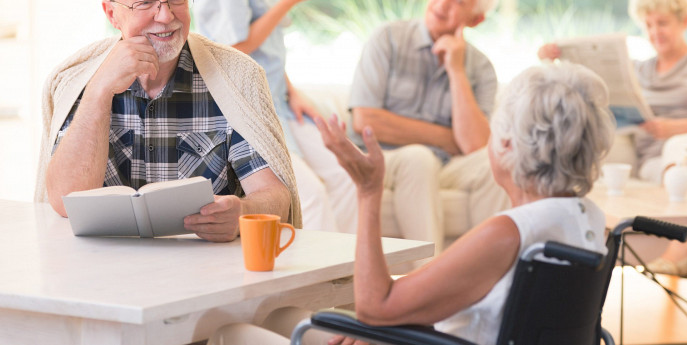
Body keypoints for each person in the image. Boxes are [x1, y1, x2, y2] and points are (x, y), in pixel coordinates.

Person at [209, 62, 616, 344]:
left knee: (234, 333)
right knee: (283, 317)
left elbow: (375, 306)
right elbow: (463, 295)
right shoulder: (587, 221)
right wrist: (388, 323)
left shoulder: (508, 233)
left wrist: (369, 191)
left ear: (507, 146)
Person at [34, 0, 301, 242]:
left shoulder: (237, 76)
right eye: (145, 2)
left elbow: (276, 196)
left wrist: (242, 213)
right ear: (112, 13)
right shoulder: (77, 79)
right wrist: (99, 90)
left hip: (206, 270)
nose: (165, 16)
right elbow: (66, 201)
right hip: (102, 269)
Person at [538, 0, 687, 319]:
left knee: (680, 149)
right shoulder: (638, 72)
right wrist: (553, 64)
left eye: (663, 23)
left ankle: (680, 247)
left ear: (684, 21)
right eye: (648, 24)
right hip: (663, 164)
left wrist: (675, 129)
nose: (654, 31)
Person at [192, 0, 338, 231]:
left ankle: (353, 274)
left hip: (279, 99)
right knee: (309, 194)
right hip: (249, 108)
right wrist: (289, 0)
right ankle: (315, 278)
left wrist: (291, 90)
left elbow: (268, 48)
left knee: (344, 174)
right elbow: (234, 46)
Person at [344, 0, 507, 253]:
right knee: (418, 159)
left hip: (443, 165)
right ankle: (429, 283)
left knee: (496, 161)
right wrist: (446, 138)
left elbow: (475, 145)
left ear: (476, 19)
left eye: (458, 0)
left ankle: (490, 276)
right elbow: (366, 121)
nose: (442, 3)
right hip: (383, 159)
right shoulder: (389, 38)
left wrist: (456, 70)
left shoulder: (481, 68)